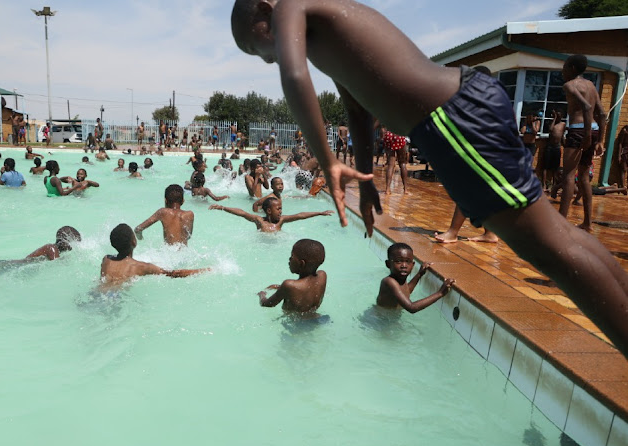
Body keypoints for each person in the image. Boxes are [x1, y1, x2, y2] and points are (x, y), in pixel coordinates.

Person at [230, 2, 628, 357]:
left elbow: (294, 76)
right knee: (559, 237)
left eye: (256, 47)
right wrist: (367, 179)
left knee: (549, 249)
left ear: (265, 11)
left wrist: (328, 159)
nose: (267, 58)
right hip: (455, 112)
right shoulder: (324, 35)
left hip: (450, 119)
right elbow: (357, 106)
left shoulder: (290, 8)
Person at [559, 55, 606, 232]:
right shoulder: (592, 86)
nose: (562, 71)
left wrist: (586, 135)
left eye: (564, 67)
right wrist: (599, 139)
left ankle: (561, 224)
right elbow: (601, 113)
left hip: (579, 131)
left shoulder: (569, 85)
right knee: (584, 178)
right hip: (592, 130)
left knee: (568, 177)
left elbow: (586, 107)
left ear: (571, 68)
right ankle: (587, 223)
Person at [99, 223, 209, 290]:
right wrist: (202, 270)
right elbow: (172, 274)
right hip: (115, 298)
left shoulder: (106, 259)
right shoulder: (141, 267)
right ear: (134, 242)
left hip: (96, 293)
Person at [376, 243, 454, 313]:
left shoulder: (400, 279)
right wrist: (440, 293)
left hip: (390, 318)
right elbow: (411, 307)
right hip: (380, 319)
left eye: (408, 261)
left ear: (413, 265)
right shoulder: (389, 282)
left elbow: (406, 291)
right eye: (398, 261)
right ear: (388, 264)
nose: (404, 265)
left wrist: (419, 274)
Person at [258, 238, 327, 314]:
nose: (289, 259)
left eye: (292, 256)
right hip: (315, 317)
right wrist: (280, 288)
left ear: (301, 263)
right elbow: (306, 289)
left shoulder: (288, 285)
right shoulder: (322, 276)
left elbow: (267, 304)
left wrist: (262, 295)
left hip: (294, 323)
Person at [210, 197, 331, 233]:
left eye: (281, 209)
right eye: (278, 209)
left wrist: (319, 213)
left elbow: (300, 215)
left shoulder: (281, 220)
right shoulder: (259, 221)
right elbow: (242, 213)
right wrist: (223, 207)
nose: (281, 211)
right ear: (268, 211)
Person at [541, 110, 565, 191]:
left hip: (557, 147)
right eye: (556, 116)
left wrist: (565, 145)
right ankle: (544, 184)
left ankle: (554, 185)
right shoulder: (552, 123)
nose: (558, 118)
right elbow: (551, 130)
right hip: (549, 147)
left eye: (559, 116)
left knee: (555, 168)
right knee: (545, 166)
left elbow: (562, 135)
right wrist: (554, 119)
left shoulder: (563, 124)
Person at [383, 130, 409, 195]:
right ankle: (405, 189)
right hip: (399, 135)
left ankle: (387, 189)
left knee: (390, 165)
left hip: (389, 136)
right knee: (402, 163)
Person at [616, 124, 628, 190]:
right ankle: (623, 186)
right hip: (625, 151)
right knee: (624, 169)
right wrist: (619, 155)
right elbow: (620, 143)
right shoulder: (625, 131)